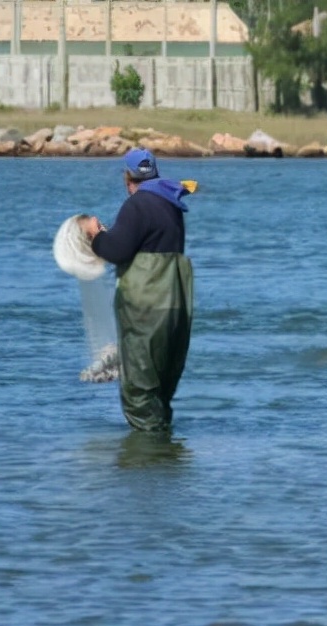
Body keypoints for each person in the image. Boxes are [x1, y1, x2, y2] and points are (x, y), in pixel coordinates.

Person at [79, 148, 195, 431]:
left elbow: (117, 250)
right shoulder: (171, 205)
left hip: (146, 309)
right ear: (153, 173)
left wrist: (95, 236)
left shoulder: (137, 205)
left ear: (127, 177)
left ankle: (145, 465)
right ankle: (167, 461)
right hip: (175, 307)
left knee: (140, 393)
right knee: (162, 389)